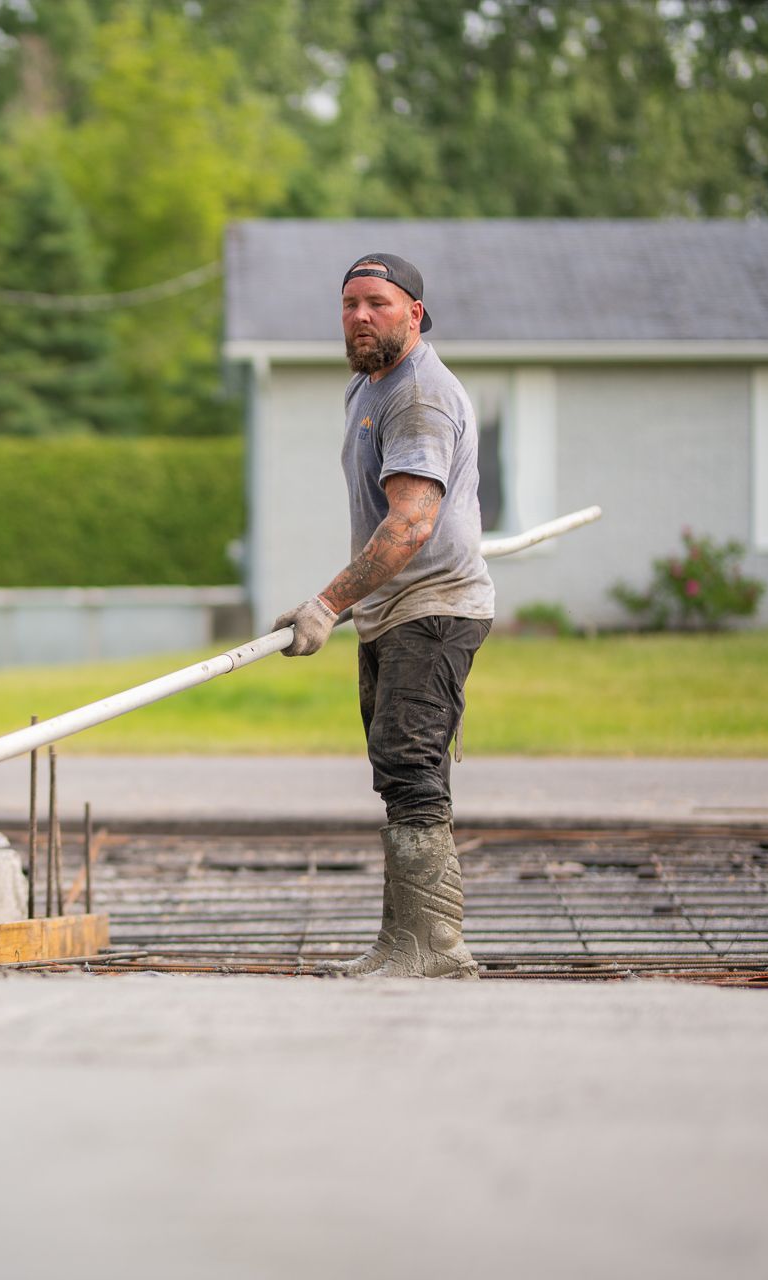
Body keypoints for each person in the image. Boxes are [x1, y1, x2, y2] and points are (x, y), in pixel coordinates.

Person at [271, 253, 494, 979]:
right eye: (349, 304)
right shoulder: (368, 389)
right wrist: (342, 605)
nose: (361, 316)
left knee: (407, 763)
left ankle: (432, 945)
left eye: (379, 303)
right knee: (404, 769)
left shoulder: (420, 396)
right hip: (394, 611)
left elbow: (411, 524)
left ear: (415, 314)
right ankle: (408, 941)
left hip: (432, 608)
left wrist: (327, 603)